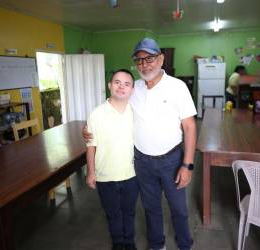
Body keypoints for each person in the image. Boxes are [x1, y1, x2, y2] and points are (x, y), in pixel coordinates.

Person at [84, 38, 196, 250]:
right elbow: (111, 108)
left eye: (150, 58)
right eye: (140, 60)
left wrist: (186, 165)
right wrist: (87, 128)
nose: (145, 64)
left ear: (161, 59)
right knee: (151, 208)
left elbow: (190, 126)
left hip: (171, 160)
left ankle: (185, 245)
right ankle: (157, 245)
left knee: (179, 209)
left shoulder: (177, 87)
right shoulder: (134, 89)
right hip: (142, 162)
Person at [86, 69, 139, 250]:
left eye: (126, 84)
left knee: (129, 213)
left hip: (131, 174)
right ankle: (118, 243)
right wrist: (91, 172)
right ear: (110, 86)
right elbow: (90, 145)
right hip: (105, 176)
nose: (121, 87)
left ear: (132, 89)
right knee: (112, 214)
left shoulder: (136, 111)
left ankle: (129, 242)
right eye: (117, 82)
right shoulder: (97, 113)